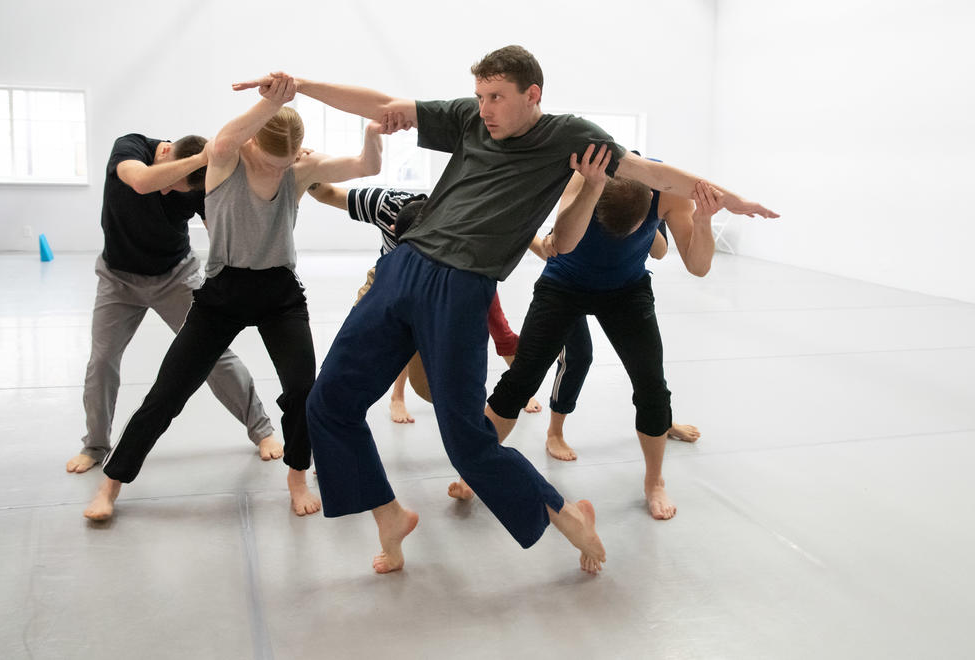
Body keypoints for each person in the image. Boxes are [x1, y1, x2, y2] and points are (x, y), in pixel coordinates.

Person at [234, 45, 776, 575]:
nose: (485, 108)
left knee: (467, 442)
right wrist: (300, 86)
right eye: (480, 95)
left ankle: (567, 518)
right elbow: (382, 106)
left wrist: (730, 200)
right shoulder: (470, 120)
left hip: (461, 288)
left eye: (496, 96)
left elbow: (651, 173)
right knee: (328, 404)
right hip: (404, 267)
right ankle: (389, 515)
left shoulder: (570, 137)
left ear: (531, 94)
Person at [83, 74, 385, 521]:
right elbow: (228, 135)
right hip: (222, 293)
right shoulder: (224, 159)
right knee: (167, 393)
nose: (280, 169)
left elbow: (366, 167)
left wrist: (373, 133)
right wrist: (274, 100)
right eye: (271, 158)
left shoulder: (297, 170)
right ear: (250, 144)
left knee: (303, 390)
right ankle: (111, 484)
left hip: (279, 294)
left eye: (287, 162)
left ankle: (297, 475)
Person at [486, 168, 724, 521]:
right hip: (563, 285)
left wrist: (703, 220)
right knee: (521, 379)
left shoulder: (670, 191)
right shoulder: (578, 178)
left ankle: (655, 481)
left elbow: (699, 266)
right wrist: (539, 241)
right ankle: (477, 466)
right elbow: (545, 239)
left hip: (627, 290)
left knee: (652, 388)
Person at [67, 132, 280, 475]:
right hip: (118, 279)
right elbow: (140, 182)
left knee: (215, 354)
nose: (166, 191)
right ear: (164, 152)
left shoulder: (197, 182)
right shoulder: (131, 146)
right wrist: (200, 159)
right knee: (102, 360)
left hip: (175, 277)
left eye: (174, 188)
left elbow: (218, 231)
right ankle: (95, 445)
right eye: (168, 181)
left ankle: (262, 431)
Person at [306, 183, 541, 423]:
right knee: (379, 336)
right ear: (394, 229)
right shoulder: (384, 205)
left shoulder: (456, 218)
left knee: (436, 379)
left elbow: (509, 221)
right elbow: (328, 193)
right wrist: (307, 174)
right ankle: (396, 397)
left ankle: (518, 389)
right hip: (388, 278)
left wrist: (541, 246)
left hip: (455, 276)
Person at [529, 205, 699, 464]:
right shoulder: (587, 189)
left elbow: (661, 252)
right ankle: (555, 431)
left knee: (648, 367)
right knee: (578, 356)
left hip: (620, 289)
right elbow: (549, 247)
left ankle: (661, 422)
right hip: (568, 285)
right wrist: (537, 241)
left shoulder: (650, 193)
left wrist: (640, 216)